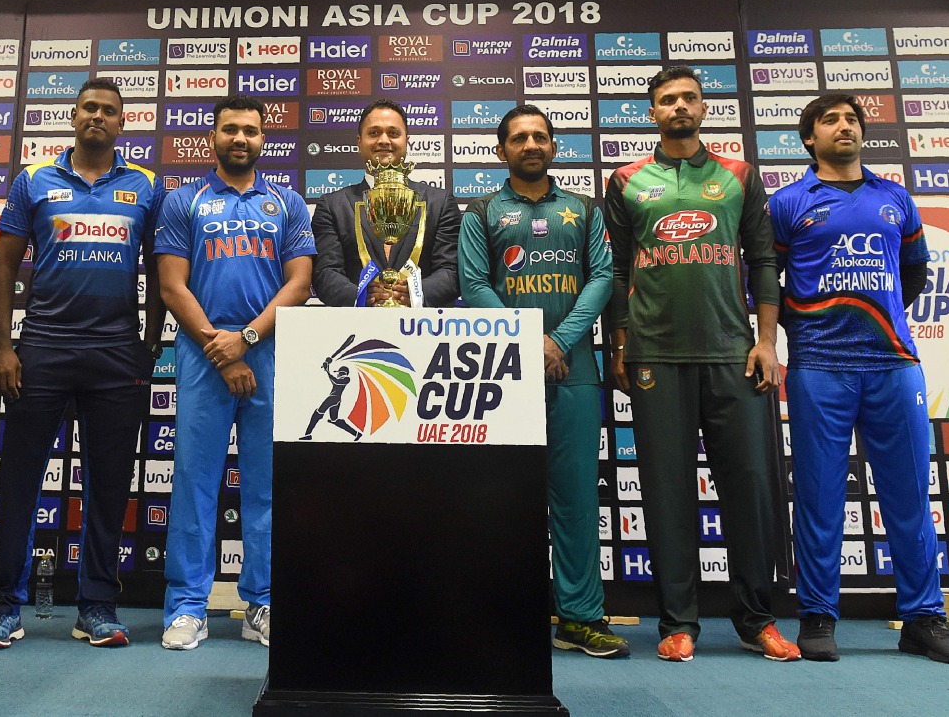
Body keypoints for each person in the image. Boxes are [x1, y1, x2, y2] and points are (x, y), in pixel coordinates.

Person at [604, 66, 799, 663]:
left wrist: (766, 342)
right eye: (667, 100)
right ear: (652, 113)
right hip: (654, 355)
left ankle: (757, 620)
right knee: (666, 493)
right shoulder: (627, 179)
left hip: (733, 354)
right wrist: (619, 342)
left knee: (750, 488)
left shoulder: (739, 175)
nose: (679, 107)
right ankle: (677, 623)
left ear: (704, 108)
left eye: (689, 97)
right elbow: (616, 270)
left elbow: (763, 261)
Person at [769, 94, 949, 664]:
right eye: (830, 120)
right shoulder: (788, 202)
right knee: (819, 497)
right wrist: (806, 325)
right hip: (818, 368)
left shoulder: (895, 197)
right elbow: (765, 281)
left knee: (910, 496)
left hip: (894, 366)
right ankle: (817, 616)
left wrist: (878, 321)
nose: (845, 127)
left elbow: (914, 274)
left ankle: (923, 619)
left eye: (852, 119)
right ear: (809, 139)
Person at [0, 78, 165, 649]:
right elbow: (5, 269)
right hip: (42, 349)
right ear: (74, 116)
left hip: (116, 355)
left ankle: (97, 607)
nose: (97, 117)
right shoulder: (33, 179)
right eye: (89, 108)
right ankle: (3, 607)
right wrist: (4, 347)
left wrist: (150, 342)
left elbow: (161, 270)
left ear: (122, 123)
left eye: (109, 111)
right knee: (20, 482)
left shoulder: (146, 185)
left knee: (108, 487)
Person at [460, 105, 627, 659]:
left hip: (574, 372)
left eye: (540, 137)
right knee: (501, 500)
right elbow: (474, 284)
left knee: (576, 501)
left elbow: (601, 278)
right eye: (519, 138)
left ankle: (579, 617)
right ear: (501, 150)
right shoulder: (481, 211)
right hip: (503, 374)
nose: (531, 144)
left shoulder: (584, 208)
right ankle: (502, 615)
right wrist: (529, 343)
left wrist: (557, 341)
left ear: (554, 146)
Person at [156, 94, 315, 650]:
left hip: (267, 351)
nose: (240, 138)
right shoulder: (184, 200)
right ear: (214, 138)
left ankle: (262, 603)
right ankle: (187, 607)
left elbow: (300, 283)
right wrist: (222, 349)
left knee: (267, 484)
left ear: (263, 139)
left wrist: (245, 341)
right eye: (230, 130)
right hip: (203, 354)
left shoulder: (287, 202)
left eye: (250, 130)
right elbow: (171, 285)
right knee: (194, 480)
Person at [312, 98, 460, 308]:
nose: (383, 140)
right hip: (355, 324)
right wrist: (362, 295)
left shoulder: (439, 202)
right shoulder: (333, 206)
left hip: (422, 324)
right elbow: (325, 272)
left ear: (406, 141)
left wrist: (415, 293)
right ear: (359, 142)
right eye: (374, 133)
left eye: (393, 133)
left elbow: (451, 270)